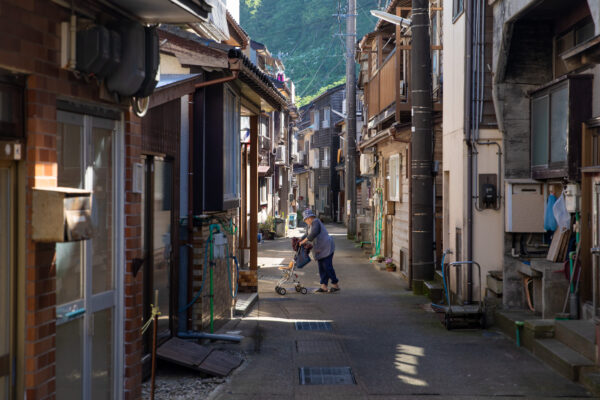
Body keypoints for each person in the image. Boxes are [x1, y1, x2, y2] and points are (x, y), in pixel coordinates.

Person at [299, 209, 340, 293]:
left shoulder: (316, 222)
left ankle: (335, 284)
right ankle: (324, 286)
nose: (306, 221)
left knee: (327, 267)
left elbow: (314, 233)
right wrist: (300, 239)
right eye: (305, 220)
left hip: (327, 247)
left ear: (310, 218)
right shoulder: (309, 225)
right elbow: (307, 234)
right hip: (320, 249)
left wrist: (303, 241)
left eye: (306, 219)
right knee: (321, 267)